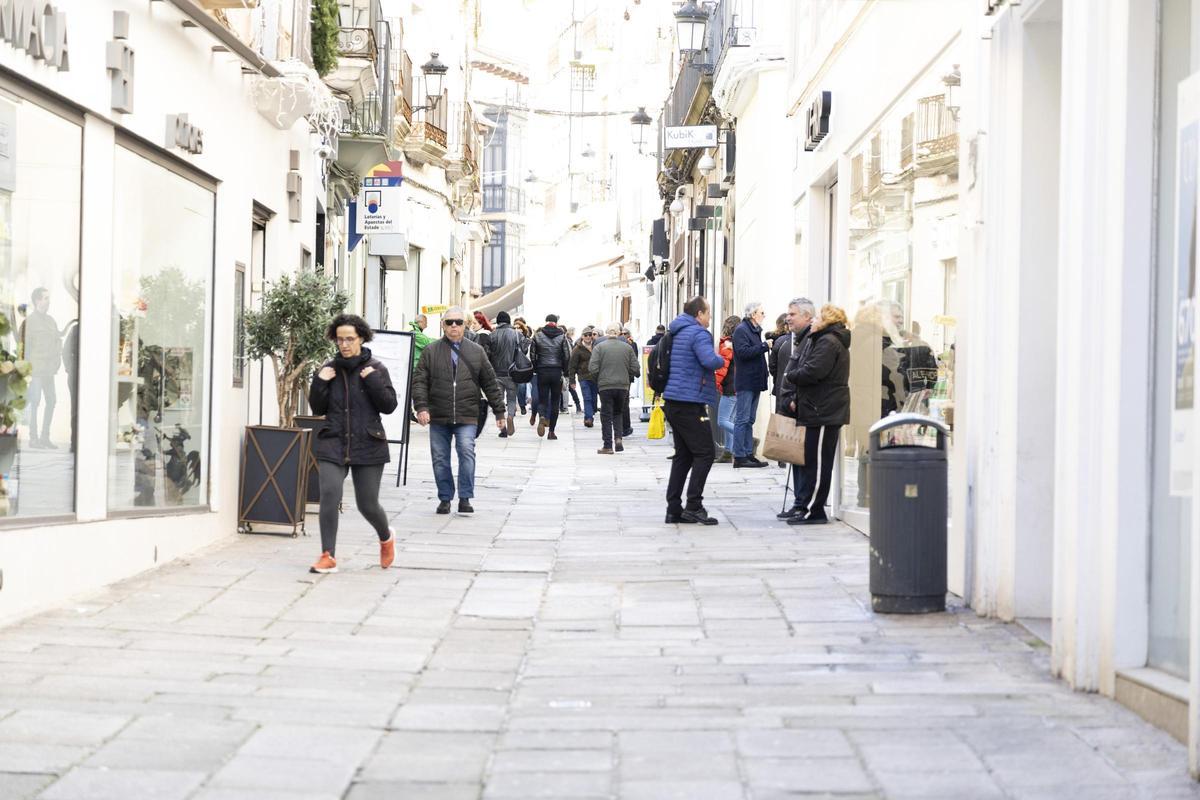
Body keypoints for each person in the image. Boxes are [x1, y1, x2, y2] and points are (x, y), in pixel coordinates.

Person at [307, 314, 399, 574]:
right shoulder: (329, 370)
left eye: (350, 339)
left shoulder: (376, 368)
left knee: (367, 504)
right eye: (340, 340)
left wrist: (372, 381)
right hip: (333, 441)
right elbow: (318, 408)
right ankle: (328, 555)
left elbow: (389, 406)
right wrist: (320, 381)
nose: (344, 345)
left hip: (368, 442)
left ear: (361, 338)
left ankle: (386, 536)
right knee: (329, 495)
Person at [412, 306, 506, 514]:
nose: (454, 326)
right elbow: (419, 382)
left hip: (467, 413)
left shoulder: (476, 351)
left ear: (465, 325)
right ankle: (445, 498)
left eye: (458, 322)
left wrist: (500, 412)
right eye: (449, 322)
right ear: (443, 325)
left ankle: (465, 497)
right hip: (438, 414)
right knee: (439, 458)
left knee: (466, 452)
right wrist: (421, 407)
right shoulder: (431, 351)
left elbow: (490, 383)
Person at [784, 304, 851, 526]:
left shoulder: (828, 341)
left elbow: (814, 371)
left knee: (819, 463)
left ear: (827, 320)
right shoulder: (822, 339)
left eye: (818, 318)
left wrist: (792, 375)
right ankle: (808, 506)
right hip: (817, 408)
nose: (814, 321)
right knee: (813, 461)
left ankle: (814, 510)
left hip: (824, 410)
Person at [662, 296, 726, 525]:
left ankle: (674, 508)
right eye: (708, 313)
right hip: (690, 402)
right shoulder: (698, 333)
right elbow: (709, 361)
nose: (709, 317)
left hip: (673, 400)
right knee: (706, 453)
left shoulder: (678, 330)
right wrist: (724, 355)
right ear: (699, 314)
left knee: (683, 455)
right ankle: (694, 506)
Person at [776, 299, 817, 518]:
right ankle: (799, 502)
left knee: (804, 458)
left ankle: (803, 504)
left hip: (804, 406)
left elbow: (808, 373)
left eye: (792, 314)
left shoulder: (811, 340)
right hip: (794, 405)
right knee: (796, 456)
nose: (788, 318)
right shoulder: (799, 339)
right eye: (788, 314)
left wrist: (793, 397)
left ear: (807, 316)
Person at [21, 288, 63, 449]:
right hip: (36, 370)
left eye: (48, 298)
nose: (48, 301)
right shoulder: (29, 322)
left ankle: (45, 437)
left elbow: (57, 341)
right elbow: (24, 348)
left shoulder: (51, 321)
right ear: (37, 300)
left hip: (49, 370)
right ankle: (33, 438)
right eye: (45, 298)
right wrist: (26, 371)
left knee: (51, 401)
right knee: (35, 401)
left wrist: (56, 361)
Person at [589, 323, 640, 454]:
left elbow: (592, 368)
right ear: (618, 333)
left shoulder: (599, 347)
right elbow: (635, 368)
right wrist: (626, 378)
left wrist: (598, 380)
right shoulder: (627, 348)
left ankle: (607, 445)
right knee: (618, 412)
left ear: (607, 333)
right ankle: (618, 438)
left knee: (606, 415)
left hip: (605, 386)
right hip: (622, 386)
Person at [731, 301, 770, 468]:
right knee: (742, 419)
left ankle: (748, 453)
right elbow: (743, 353)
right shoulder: (741, 330)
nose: (764, 315)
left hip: (754, 381)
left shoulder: (754, 330)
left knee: (750, 419)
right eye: (762, 312)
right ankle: (739, 455)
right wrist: (763, 346)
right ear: (753, 315)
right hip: (746, 381)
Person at [530, 313, 572, 439]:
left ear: (546, 321)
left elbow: (532, 355)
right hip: (556, 371)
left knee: (542, 398)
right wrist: (564, 370)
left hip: (542, 370)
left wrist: (536, 367)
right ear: (556, 323)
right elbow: (567, 355)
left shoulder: (538, 336)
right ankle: (551, 432)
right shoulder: (562, 336)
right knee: (555, 401)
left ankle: (542, 416)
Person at [485, 310, 522, 437]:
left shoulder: (492, 335)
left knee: (498, 401)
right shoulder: (516, 335)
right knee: (512, 398)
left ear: (499, 321)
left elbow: (487, 355)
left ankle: (503, 429)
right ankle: (510, 416)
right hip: (512, 373)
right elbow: (523, 350)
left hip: (496, 373)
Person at [714, 315, 741, 464]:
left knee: (722, 421)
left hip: (730, 387)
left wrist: (716, 384)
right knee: (731, 419)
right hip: (739, 386)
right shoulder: (740, 343)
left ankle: (746, 437)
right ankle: (729, 452)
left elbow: (721, 369)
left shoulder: (727, 344)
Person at [568, 326, 599, 428]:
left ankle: (589, 415)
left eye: (590, 335)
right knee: (587, 397)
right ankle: (589, 418)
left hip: (595, 377)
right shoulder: (577, 349)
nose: (588, 337)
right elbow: (572, 366)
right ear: (582, 336)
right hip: (583, 377)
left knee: (594, 398)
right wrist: (572, 381)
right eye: (586, 335)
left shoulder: (597, 347)